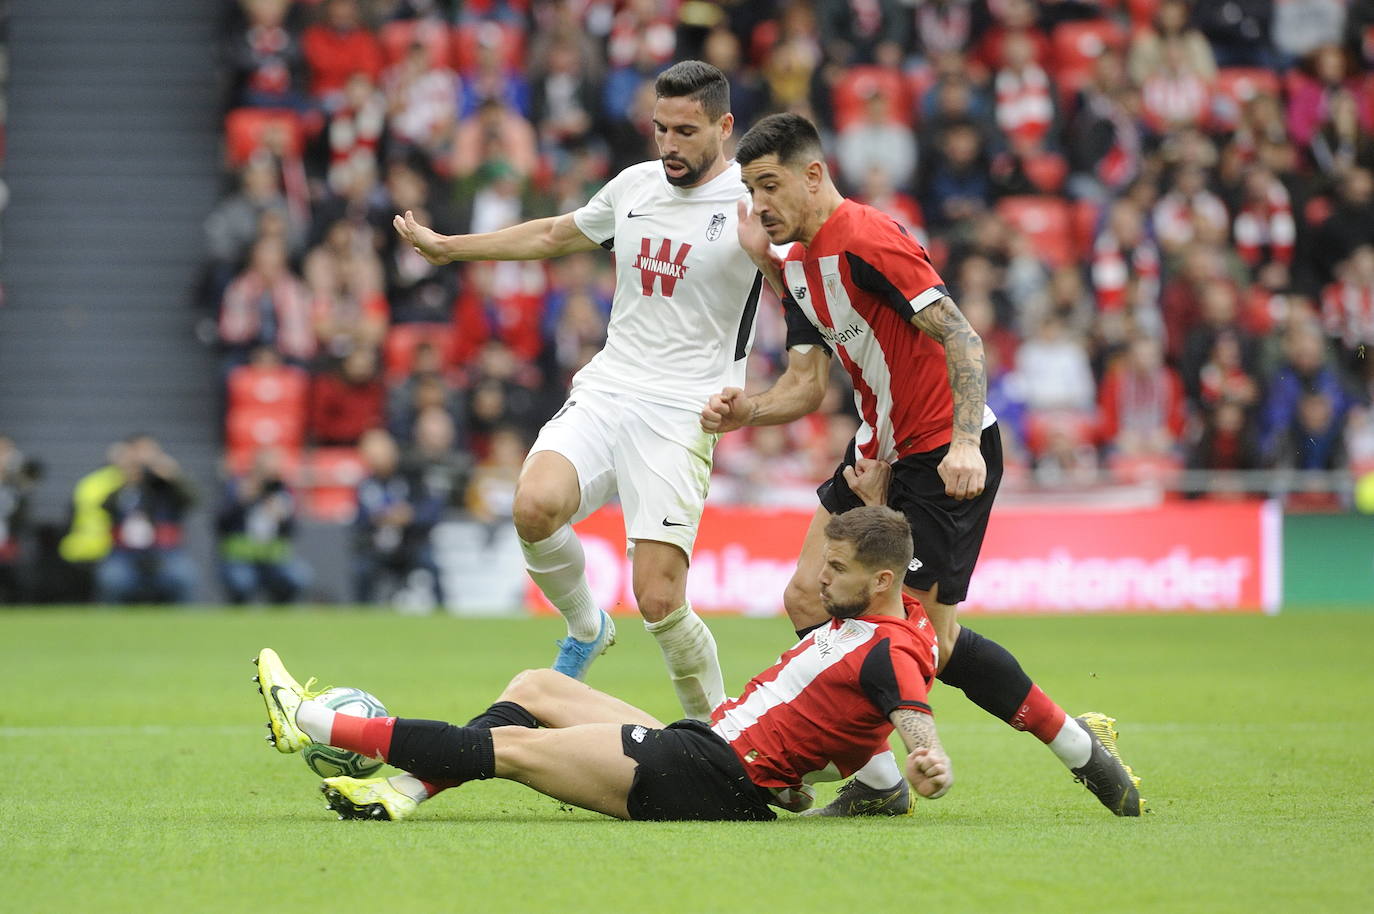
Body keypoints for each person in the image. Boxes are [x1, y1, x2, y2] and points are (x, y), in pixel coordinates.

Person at [700, 112, 1143, 818]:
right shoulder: (798, 266)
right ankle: (877, 778)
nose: (760, 205)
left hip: (940, 453)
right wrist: (744, 413)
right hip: (873, 455)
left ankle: (1079, 746)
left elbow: (963, 339)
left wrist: (965, 441)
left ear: (814, 175)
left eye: (770, 185)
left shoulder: (870, 239)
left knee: (927, 644)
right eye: (751, 190)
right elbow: (807, 388)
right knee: (808, 600)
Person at [392, 61, 765, 720]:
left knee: (658, 601)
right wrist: (450, 248)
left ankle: (726, 741)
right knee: (532, 505)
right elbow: (552, 234)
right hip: (611, 384)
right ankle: (587, 627)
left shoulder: (753, 205)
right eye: (660, 129)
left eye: (686, 130)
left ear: (724, 126)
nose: (669, 145)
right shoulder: (635, 186)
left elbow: (816, 276)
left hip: (683, 410)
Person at [254, 507, 966, 822]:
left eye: (836, 570)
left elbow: (911, 715)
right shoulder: (862, 623)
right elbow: (824, 724)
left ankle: (313, 721)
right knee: (538, 687)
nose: (819, 580)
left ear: (881, 583)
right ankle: (406, 790)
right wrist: (793, 778)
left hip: (705, 782)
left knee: (511, 747)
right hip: (705, 751)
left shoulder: (891, 650)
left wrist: (928, 759)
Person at [95, 435, 198, 605]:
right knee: (111, 579)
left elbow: (192, 500)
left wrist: (173, 476)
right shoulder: (120, 485)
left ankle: (184, 627)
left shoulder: (167, 488)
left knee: (183, 577)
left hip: (165, 552)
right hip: (125, 554)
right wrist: (123, 477)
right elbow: (104, 505)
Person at [217, 447, 311, 605]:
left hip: (274, 560)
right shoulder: (237, 486)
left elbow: (293, 530)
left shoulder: (284, 492)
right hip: (241, 558)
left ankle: (279, 612)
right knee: (241, 582)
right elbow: (219, 524)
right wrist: (240, 502)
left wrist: (283, 517)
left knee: (298, 577)